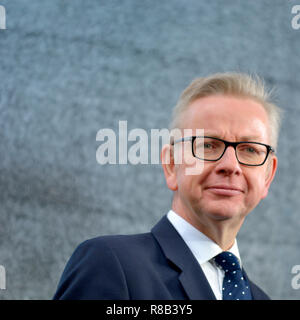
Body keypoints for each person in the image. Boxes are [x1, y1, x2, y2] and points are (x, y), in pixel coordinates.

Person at [53, 72, 281, 300]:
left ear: (268, 176)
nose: (230, 165)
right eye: (208, 145)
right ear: (171, 165)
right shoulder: (110, 264)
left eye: (250, 150)